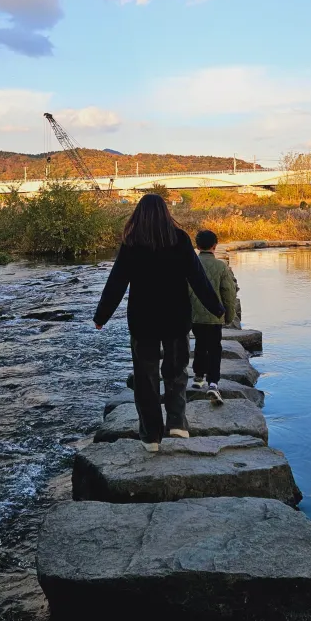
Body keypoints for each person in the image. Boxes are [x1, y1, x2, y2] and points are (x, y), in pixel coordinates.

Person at [93, 194, 224, 452]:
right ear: (166, 213)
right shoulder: (180, 240)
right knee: (176, 372)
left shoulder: (132, 243)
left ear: (138, 215)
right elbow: (198, 278)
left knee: (146, 378)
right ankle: (176, 421)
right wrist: (216, 308)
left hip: (143, 321)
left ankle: (151, 436)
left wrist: (101, 316)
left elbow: (116, 282)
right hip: (176, 319)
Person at [190, 229, 237, 405]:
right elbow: (228, 293)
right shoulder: (221, 266)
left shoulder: (191, 265)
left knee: (200, 345)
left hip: (195, 316)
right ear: (215, 246)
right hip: (214, 316)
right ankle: (213, 383)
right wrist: (229, 316)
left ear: (197, 245)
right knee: (214, 348)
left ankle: (198, 377)